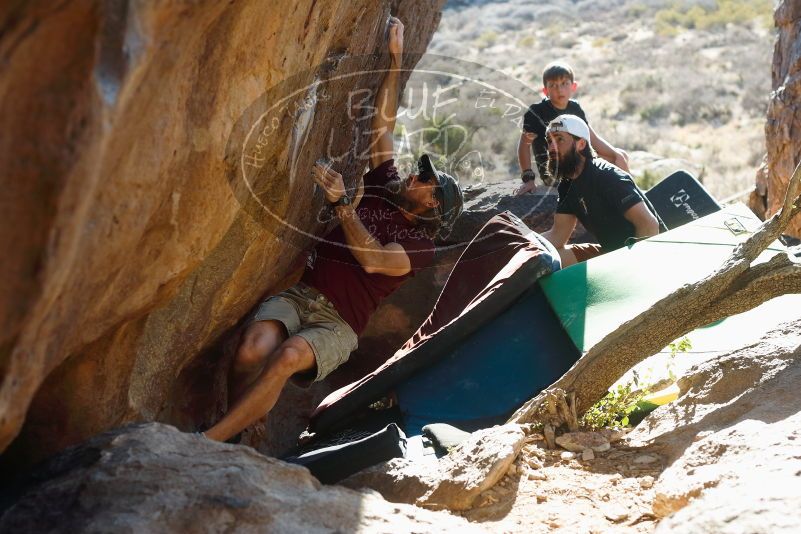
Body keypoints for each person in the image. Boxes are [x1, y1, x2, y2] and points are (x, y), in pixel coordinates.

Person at [204, 17, 464, 443]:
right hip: (302, 294)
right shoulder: (386, 185)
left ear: (433, 205)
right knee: (252, 348)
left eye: (425, 180)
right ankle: (241, 426)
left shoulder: (419, 248)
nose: (415, 176)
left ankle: (213, 440)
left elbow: (373, 258)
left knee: (287, 355)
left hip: (337, 324)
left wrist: (342, 204)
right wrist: (395, 59)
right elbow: (383, 124)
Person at [541, 114, 665, 267]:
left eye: (559, 139)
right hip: (611, 255)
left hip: (646, 258)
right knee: (544, 259)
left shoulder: (607, 176)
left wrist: (635, 268)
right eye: (549, 141)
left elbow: (649, 225)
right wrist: (523, 242)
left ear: (581, 144)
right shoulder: (567, 185)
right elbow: (557, 236)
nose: (552, 148)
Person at [517, 61, 629, 195]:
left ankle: (629, 199)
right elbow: (524, 146)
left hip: (576, 163)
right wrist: (528, 179)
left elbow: (592, 139)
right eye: (553, 85)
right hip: (555, 172)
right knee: (611, 164)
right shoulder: (536, 112)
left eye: (564, 83)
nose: (559, 89)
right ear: (545, 90)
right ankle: (625, 201)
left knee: (620, 156)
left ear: (573, 86)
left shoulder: (574, 107)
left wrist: (617, 155)